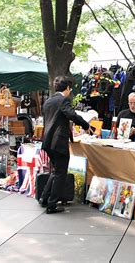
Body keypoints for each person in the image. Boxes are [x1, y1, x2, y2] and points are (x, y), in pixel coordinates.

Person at [40, 76, 90, 214]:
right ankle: (52, 204)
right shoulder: (63, 100)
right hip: (58, 142)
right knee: (60, 173)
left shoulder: (48, 101)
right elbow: (71, 114)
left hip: (48, 141)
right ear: (67, 88)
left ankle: (44, 198)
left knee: (56, 171)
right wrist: (86, 125)